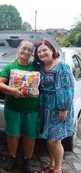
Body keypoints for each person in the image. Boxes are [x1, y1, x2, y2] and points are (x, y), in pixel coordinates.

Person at [0, 40, 39, 173]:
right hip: (13, 108)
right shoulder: (10, 67)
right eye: (23, 48)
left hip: (32, 109)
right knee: (13, 135)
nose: (26, 51)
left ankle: (27, 160)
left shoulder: (36, 67)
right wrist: (12, 91)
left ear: (32, 53)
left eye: (29, 50)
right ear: (18, 49)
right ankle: (12, 158)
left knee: (30, 136)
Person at [34, 40, 75, 173]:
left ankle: (57, 169)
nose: (41, 53)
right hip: (45, 107)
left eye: (45, 50)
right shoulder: (41, 67)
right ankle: (51, 165)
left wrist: (64, 108)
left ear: (52, 50)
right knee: (48, 138)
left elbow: (68, 88)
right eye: (39, 51)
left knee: (54, 140)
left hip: (58, 108)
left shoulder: (61, 66)